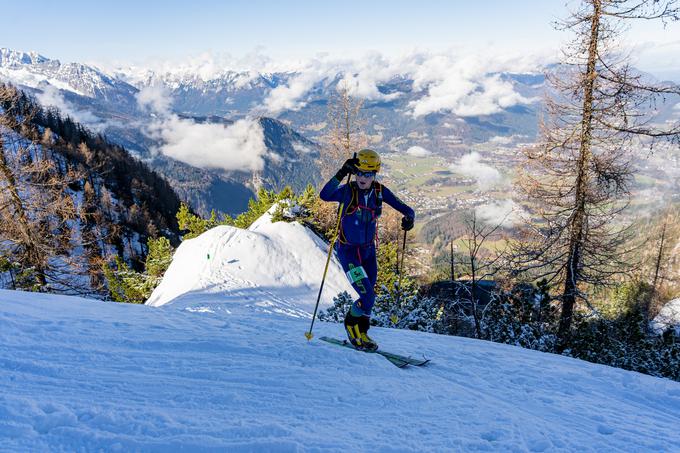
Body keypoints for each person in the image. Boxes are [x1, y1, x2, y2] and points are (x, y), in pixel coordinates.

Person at [320, 149, 415, 351]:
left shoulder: (380, 192)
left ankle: (362, 332)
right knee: (368, 296)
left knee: (369, 297)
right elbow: (325, 195)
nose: (363, 178)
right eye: (360, 173)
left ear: (375, 175)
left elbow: (406, 208)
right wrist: (341, 173)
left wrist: (409, 218)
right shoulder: (348, 191)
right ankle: (351, 327)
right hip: (349, 252)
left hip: (368, 252)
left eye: (368, 174)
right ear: (355, 172)